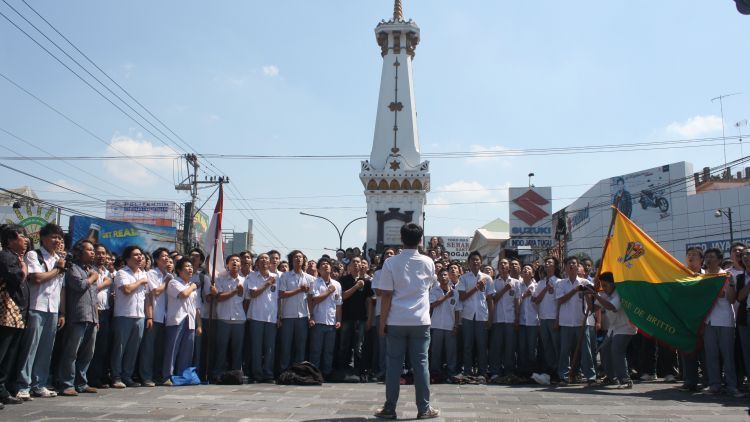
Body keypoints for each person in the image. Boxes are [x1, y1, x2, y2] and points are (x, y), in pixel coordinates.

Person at [374, 223, 439, 420]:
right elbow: (430, 284)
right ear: (421, 240)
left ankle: (390, 408)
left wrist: (382, 322)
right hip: (420, 320)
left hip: (396, 319)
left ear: (401, 239)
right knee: (421, 365)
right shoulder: (428, 262)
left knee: (394, 365)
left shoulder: (391, 263)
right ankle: (424, 408)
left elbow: (386, 295)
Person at [17, 223, 66, 399]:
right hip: (36, 306)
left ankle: (39, 384)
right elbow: (37, 278)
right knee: (30, 347)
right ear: (42, 238)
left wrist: (62, 312)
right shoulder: (34, 255)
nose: (57, 241)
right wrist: (58, 268)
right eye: (53, 237)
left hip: (52, 309)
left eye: (60, 238)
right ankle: (23, 385)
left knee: (46, 349)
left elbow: (61, 287)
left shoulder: (59, 259)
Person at [57, 240, 100, 396]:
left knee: (87, 353)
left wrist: (97, 319)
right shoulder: (73, 269)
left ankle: (82, 383)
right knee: (71, 352)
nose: (92, 253)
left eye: (93, 250)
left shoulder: (93, 270)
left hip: (92, 317)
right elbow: (80, 286)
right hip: (77, 316)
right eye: (89, 250)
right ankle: (66, 383)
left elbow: (94, 297)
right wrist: (93, 278)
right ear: (80, 253)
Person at [702, 248, 742, 397]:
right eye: (707, 257)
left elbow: (732, 299)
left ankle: (732, 385)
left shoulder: (727, 276)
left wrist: (731, 284)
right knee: (711, 354)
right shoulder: (702, 277)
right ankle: (714, 384)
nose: (708, 260)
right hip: (708, 321)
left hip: (725, 321)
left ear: (719, 260)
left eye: (712, 257)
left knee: (728, 355)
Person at [110, 246, 152, 388]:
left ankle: (127, 376)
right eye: (135, 255)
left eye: (141, 255)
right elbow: (127, 290)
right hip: (124, 315)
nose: (140, 257)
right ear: (127, 258)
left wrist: (149, 317)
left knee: (133, 349)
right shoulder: (122, 273)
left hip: (139, 315)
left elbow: (147, 298)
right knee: (120, 347)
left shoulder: (143, 274)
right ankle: (116, 376)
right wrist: (140, 282)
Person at [0, 225, 29, 408]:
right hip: (6, 311)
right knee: (2, 352)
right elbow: (17, 277)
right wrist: (24, 267)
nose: (25, 240)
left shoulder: (18, 257)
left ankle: (2, 390)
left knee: (10, 355)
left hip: (17, 311)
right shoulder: (6, 256)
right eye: (21, 236)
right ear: (10, 240)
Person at [556, 256, 596, 386]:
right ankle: (564, 375)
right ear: (566, 267)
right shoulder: (561, 283)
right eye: (569, 264)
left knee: (586, 351)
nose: (572, 266)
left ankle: (590, 376)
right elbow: (561, 300)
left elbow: (592, 305)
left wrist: (588, 294)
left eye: (574, 263)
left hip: (582, 322)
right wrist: (575, 290)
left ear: (578, 266)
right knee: (564, 351)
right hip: (566, 322)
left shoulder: (585, 282)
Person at [594, 272, 636, 389]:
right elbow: (593, 308)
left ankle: (625, 380)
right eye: (602, 285)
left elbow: (611, 307)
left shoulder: (619, 294)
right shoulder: (603, 294)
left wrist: (596, 295)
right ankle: (612, 377)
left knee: (617, 350)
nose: (604, 288)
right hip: (613, 329)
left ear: (613, 284)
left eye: (606, 285)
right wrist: (590, 294)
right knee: (605, 350)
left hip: (625, 327)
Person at [163, 258, 202, 381]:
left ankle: (183, 376)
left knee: (187, 350)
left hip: (190, 321)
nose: (190, 269)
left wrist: (199, 325)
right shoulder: (174, 283)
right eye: (187, 266)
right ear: (179, 270)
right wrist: (193, 286)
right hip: (177, 320)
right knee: (172, 349)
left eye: (191, 266)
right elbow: (183, 294)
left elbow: (196, 308)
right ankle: (167, 376)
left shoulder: (191, 287)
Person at [458, 251, 494, 380]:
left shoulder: (487, 278)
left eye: (477, 260)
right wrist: (477, 287)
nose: (475, 262)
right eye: (472, 259)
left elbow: (490, 299)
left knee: (482, 345)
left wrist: (490, 318)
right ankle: (467, 371)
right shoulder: (463, 278)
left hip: (482, 316)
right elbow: (462, 297)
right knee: (467, 345)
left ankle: (482, 372)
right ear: (468, 262)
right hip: (468, 316)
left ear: (481, 262)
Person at [208, 254, 245, 381]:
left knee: (237, 350)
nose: (235, 262)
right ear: (227, 265)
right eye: (232, 261)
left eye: (237, 261)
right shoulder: (220, 279)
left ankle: (236, 375)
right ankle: (217, 374)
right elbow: (218, 297)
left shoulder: (245, 280)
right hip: (223, 318)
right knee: (221, 349)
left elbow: (247, 301)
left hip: (239, 319)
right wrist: (235, 291)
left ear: (240, 265)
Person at [138, 248, 171, 387]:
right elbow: (155, 292)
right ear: (157, 260)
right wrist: (166, 281)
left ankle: (158, 376)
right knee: (148, 348)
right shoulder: (151, 273)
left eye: (167, 256)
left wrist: (169, 277)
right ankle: (146, 376)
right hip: (154, 316)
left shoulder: (169, 275)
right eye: (163, 256)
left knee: (160, 349)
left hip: (166, 317)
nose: (166, 259)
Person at [244, 253, 279, 383]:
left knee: (270, 348)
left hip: (271, 317)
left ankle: (268, 373)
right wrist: (267, 283)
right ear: (257, 263)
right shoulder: (252, 276)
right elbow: (253, 293)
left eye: (266, 259)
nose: (264, 260)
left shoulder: (277, 277)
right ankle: (257, 374)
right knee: (256, 348)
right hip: (256, 317)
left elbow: (279, 298)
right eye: (261, 259)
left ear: (270, 263)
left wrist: (279, 315)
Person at [278, 250, 314, 371]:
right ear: (292, 260)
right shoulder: (285, 276)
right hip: (288, 316)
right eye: (295, 257)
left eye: (300, 257)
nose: (298, 259)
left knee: (301, 347)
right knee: (286, 346)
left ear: (304, 260)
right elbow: (281, 294)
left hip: (303, 316)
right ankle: (284, 371)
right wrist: (299, 290)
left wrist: (311, 316)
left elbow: (310, 299)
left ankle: (299, 371)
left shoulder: (310, 278)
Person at [308, 257, 343, 379]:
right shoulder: (315, 283)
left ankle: (327, 373)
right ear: (318, 269)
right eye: (323, 264)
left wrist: (338, 320)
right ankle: (314, 374)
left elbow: (338, 304)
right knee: (316, 350)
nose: (326, 266)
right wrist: (328, 291)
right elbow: (315, 299)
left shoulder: (337, 284)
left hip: (331, 322)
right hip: (318, 320)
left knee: (329, 351)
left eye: (328, 264)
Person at [87, 244, 113, 389]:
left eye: (104, 253)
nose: (101, 256)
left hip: (106, 310)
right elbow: (92, 289)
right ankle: (89, 377)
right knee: (91, 348)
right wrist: (106, 283)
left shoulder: (107, 273)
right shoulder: (90, 271)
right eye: (98, 253)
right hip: (93, 311)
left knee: (103, 347)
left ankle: (99, 376)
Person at [490, 258, 520, 380]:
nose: (503, 265)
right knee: (497, 346)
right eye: (501, 263)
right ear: (497, 267)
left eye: (505, 263)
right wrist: (504, 289)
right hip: (498, 319)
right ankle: (495, 371)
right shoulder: (494, 282)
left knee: (510, 347)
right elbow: (493, 300)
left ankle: (509, 371)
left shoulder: (516, 282)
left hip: (510, 319)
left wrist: (517, 318)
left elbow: (517, 301)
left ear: (509, 267)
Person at [532, 257, 560, 380]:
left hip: (554, 318)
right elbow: (536, 300)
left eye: (550, 263)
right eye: (546, 263)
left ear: (555, 266)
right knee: (547, 346)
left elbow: (560, 302)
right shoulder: (540, 283)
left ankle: (561, 370)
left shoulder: (559, 282)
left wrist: (558, 319)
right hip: (543, 318)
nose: (547, 264)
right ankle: (551, 369)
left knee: (557, 345)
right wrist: (545, 288)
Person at [428, 268, 459, 381]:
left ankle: (451, 372)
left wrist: (456, 325)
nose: (443, 277)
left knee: (451, 351)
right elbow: (432, 305)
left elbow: (457, 310)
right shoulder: (434, 290)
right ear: (438, 277)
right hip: (437, 325)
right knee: (436, 351)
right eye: (441, 275)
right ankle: (435, 373)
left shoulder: (455, 292)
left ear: (449, 276)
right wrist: (446, 297)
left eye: (445, 275)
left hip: (450, 326)